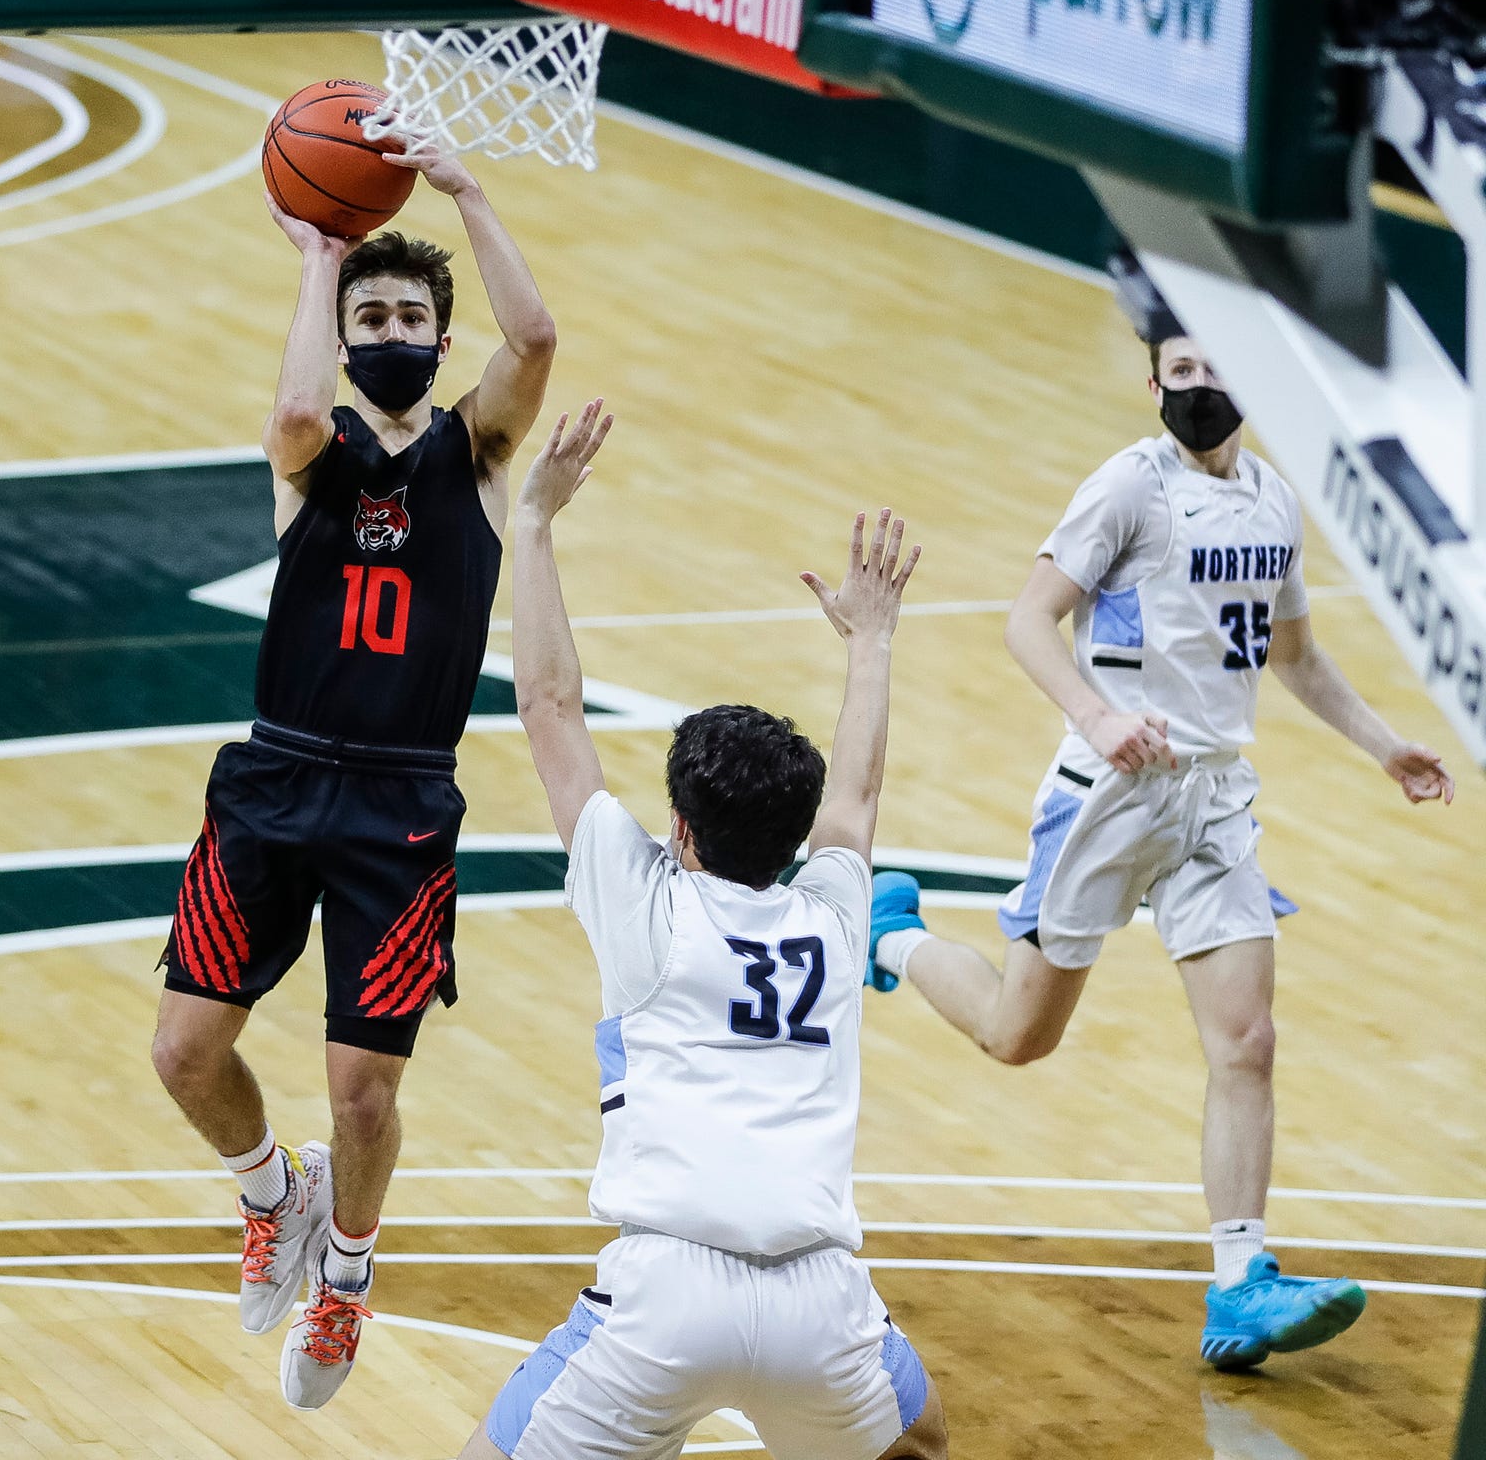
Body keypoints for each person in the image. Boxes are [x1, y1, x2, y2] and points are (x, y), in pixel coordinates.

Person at [865, 326, 1455, 1369]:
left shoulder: (1274, 500)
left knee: (1249, 1043)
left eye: (1214, 367)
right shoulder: (1128, 488)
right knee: (1018, 1036)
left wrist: (1382, 747)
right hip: (1110, 795)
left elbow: (1296, 655)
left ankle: (1240, 1284)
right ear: (1154, 383)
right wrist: (1096, 717)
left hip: (1216, 799)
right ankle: (897, 939)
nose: (1199, 386)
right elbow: (1029, 622)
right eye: (1180, 371)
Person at [150, 144, 557, 1409]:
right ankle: (273, 1192)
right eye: (368, 318)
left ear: (441, 341)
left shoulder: (477, 458)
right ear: (340, 333)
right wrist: (323, 259)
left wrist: (469, 198)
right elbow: (285, 416)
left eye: (410, 318)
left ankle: (347, 1280)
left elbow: (535, 340)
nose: (391, 331)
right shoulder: (311, 457)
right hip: (274, 777)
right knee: (182, 1053)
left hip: (400, 800)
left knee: (365, 1096)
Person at [468, 399, 945, 1460]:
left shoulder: (644, 905)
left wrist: (534, 526)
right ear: (793, 839)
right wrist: (872, 642)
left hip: (667, 1295)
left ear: (677, 827)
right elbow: (858, 798)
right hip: (822, 1300)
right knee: (920, 1440)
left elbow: (549, 705)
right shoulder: (833, 911)